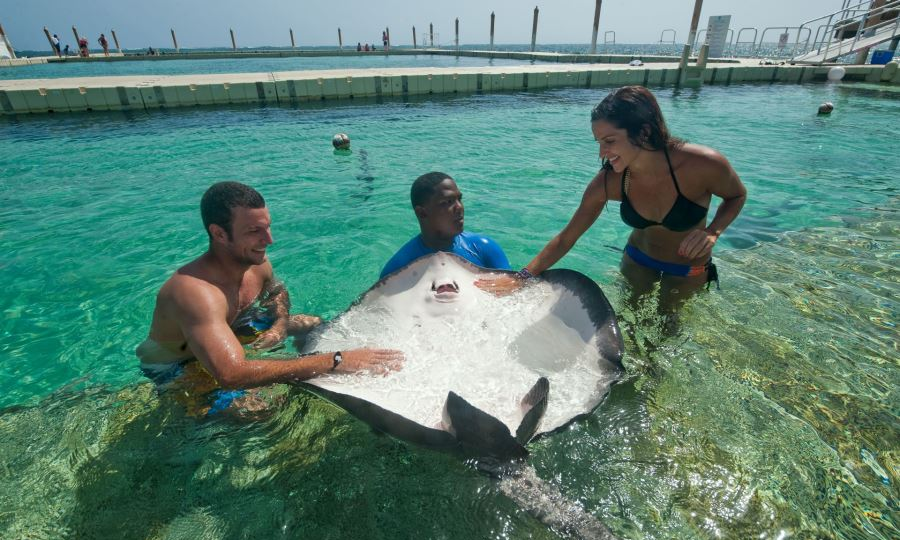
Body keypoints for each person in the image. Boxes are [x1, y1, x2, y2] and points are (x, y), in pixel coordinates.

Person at [137, 181, 404, 417]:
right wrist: (336, 361)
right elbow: (232, 374)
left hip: (241, 329)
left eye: (268, 227)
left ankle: (306, 370)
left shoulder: (256, 262)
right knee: (260, 412)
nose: (269, 240)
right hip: (182, 366)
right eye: (254, 231)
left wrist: (279, 323)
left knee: (315, 323)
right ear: (219, 233)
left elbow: (277, 292)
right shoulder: (195, 293)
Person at [478, 86, 746, 312]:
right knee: (629, 325)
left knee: (668, 333)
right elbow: (567, 237)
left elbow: (736, 195)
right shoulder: (611, 181)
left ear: (642, 132)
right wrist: (523, 277)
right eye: (598, 142)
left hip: (688, 271)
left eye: (609, 141)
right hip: (638, 262)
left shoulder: (703, 164)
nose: (602, 152)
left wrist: (713, 231)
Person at [381, 172, 511, 278]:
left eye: (459, 199)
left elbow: (515, 293)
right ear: (422, 213)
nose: (459, 207)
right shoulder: (398, 268)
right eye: (448, 202)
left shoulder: (484, 248)